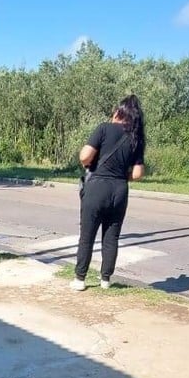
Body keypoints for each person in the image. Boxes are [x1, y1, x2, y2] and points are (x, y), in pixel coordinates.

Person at [71, 94, 146, 291]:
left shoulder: (104, 128)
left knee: (87, 235)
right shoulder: (137, 138)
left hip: (97, 187)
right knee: (111, 236)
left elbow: (85, 156)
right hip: (120, 190)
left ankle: (80, 279)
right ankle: (106, 279)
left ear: (118, 112)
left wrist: (89, 164)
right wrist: (122, 176)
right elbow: (138, 174)